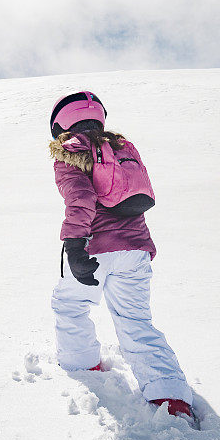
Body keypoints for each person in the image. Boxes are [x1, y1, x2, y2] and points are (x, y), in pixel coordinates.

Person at [48, 91, 194, 419]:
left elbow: (81, 199)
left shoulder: (71, 151)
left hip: (94, 249)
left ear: (60, 124)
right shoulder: (118, 148)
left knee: (70, 305)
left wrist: (74, 246)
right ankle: (170, 395)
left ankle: (83, 368)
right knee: (136, 321)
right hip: (136, 249)